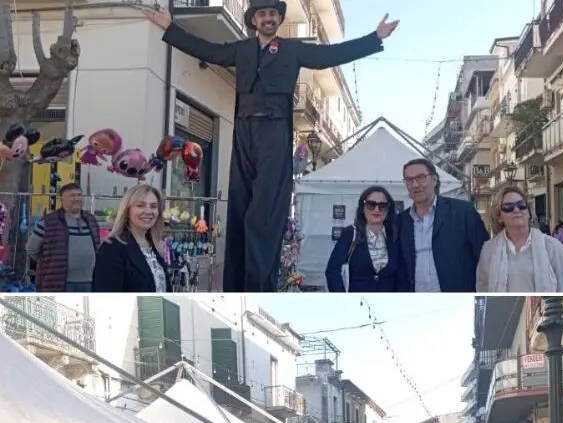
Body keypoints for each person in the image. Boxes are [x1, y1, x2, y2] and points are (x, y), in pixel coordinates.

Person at [146, 0, 397, 292]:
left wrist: (374, 37)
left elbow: (331, 54)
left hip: (274, 130)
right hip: (243, 129)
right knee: (240, 204)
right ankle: (237, 282)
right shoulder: (241, 50)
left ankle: (259, 282)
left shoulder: (292, 50)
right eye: (263, 14)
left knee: (263, 213)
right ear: (253, 20)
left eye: (273, 14)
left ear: (279, 19)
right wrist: (170, 28)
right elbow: (209, 51)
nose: (268, 18)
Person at [396, 158, 489, 292]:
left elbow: (485, 258)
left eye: (421, 178)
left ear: (434, 180)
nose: (415, 184)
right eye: (409, 180)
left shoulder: (462, 212)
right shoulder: (400, 222)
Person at [477, 186, 563, 292]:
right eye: (508, 207)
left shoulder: (552, 247)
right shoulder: (489, 250)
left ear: (529, 212)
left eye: (521, 205)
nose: (517, 210)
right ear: (499, 217)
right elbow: (483, 288)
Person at [324, 186, 406, 292]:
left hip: (387, 305)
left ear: (388, 209)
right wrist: (343, 301)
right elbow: (333, 271)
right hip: (357, 305)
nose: (376, 209)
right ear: (363, 208)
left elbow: (402, 276)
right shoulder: (350, 234)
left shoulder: (394, 236)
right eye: (371, 205)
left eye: (383, 205)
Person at [92, 184, 171, 292]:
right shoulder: (112, 248)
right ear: (127, 211)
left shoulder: (154, 246)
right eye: (140, 205)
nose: (148, 211)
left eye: (153, 206)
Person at [28, 183, 101, 292]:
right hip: (58, 284)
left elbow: (97, 247)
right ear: (61, 199)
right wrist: (49, 261)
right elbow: (31, 249)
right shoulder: (49, 222)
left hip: (89, 283)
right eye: (72, 195)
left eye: (79, 195)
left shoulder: (91, 220)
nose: (77, 198)